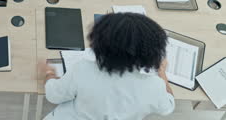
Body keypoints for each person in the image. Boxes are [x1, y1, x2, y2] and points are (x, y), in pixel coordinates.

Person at [42, 13, 175, 120]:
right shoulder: (154, 86)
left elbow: (53, 95)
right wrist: (162, 73)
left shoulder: (83, 70)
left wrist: (49, 74)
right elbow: (168, 106)